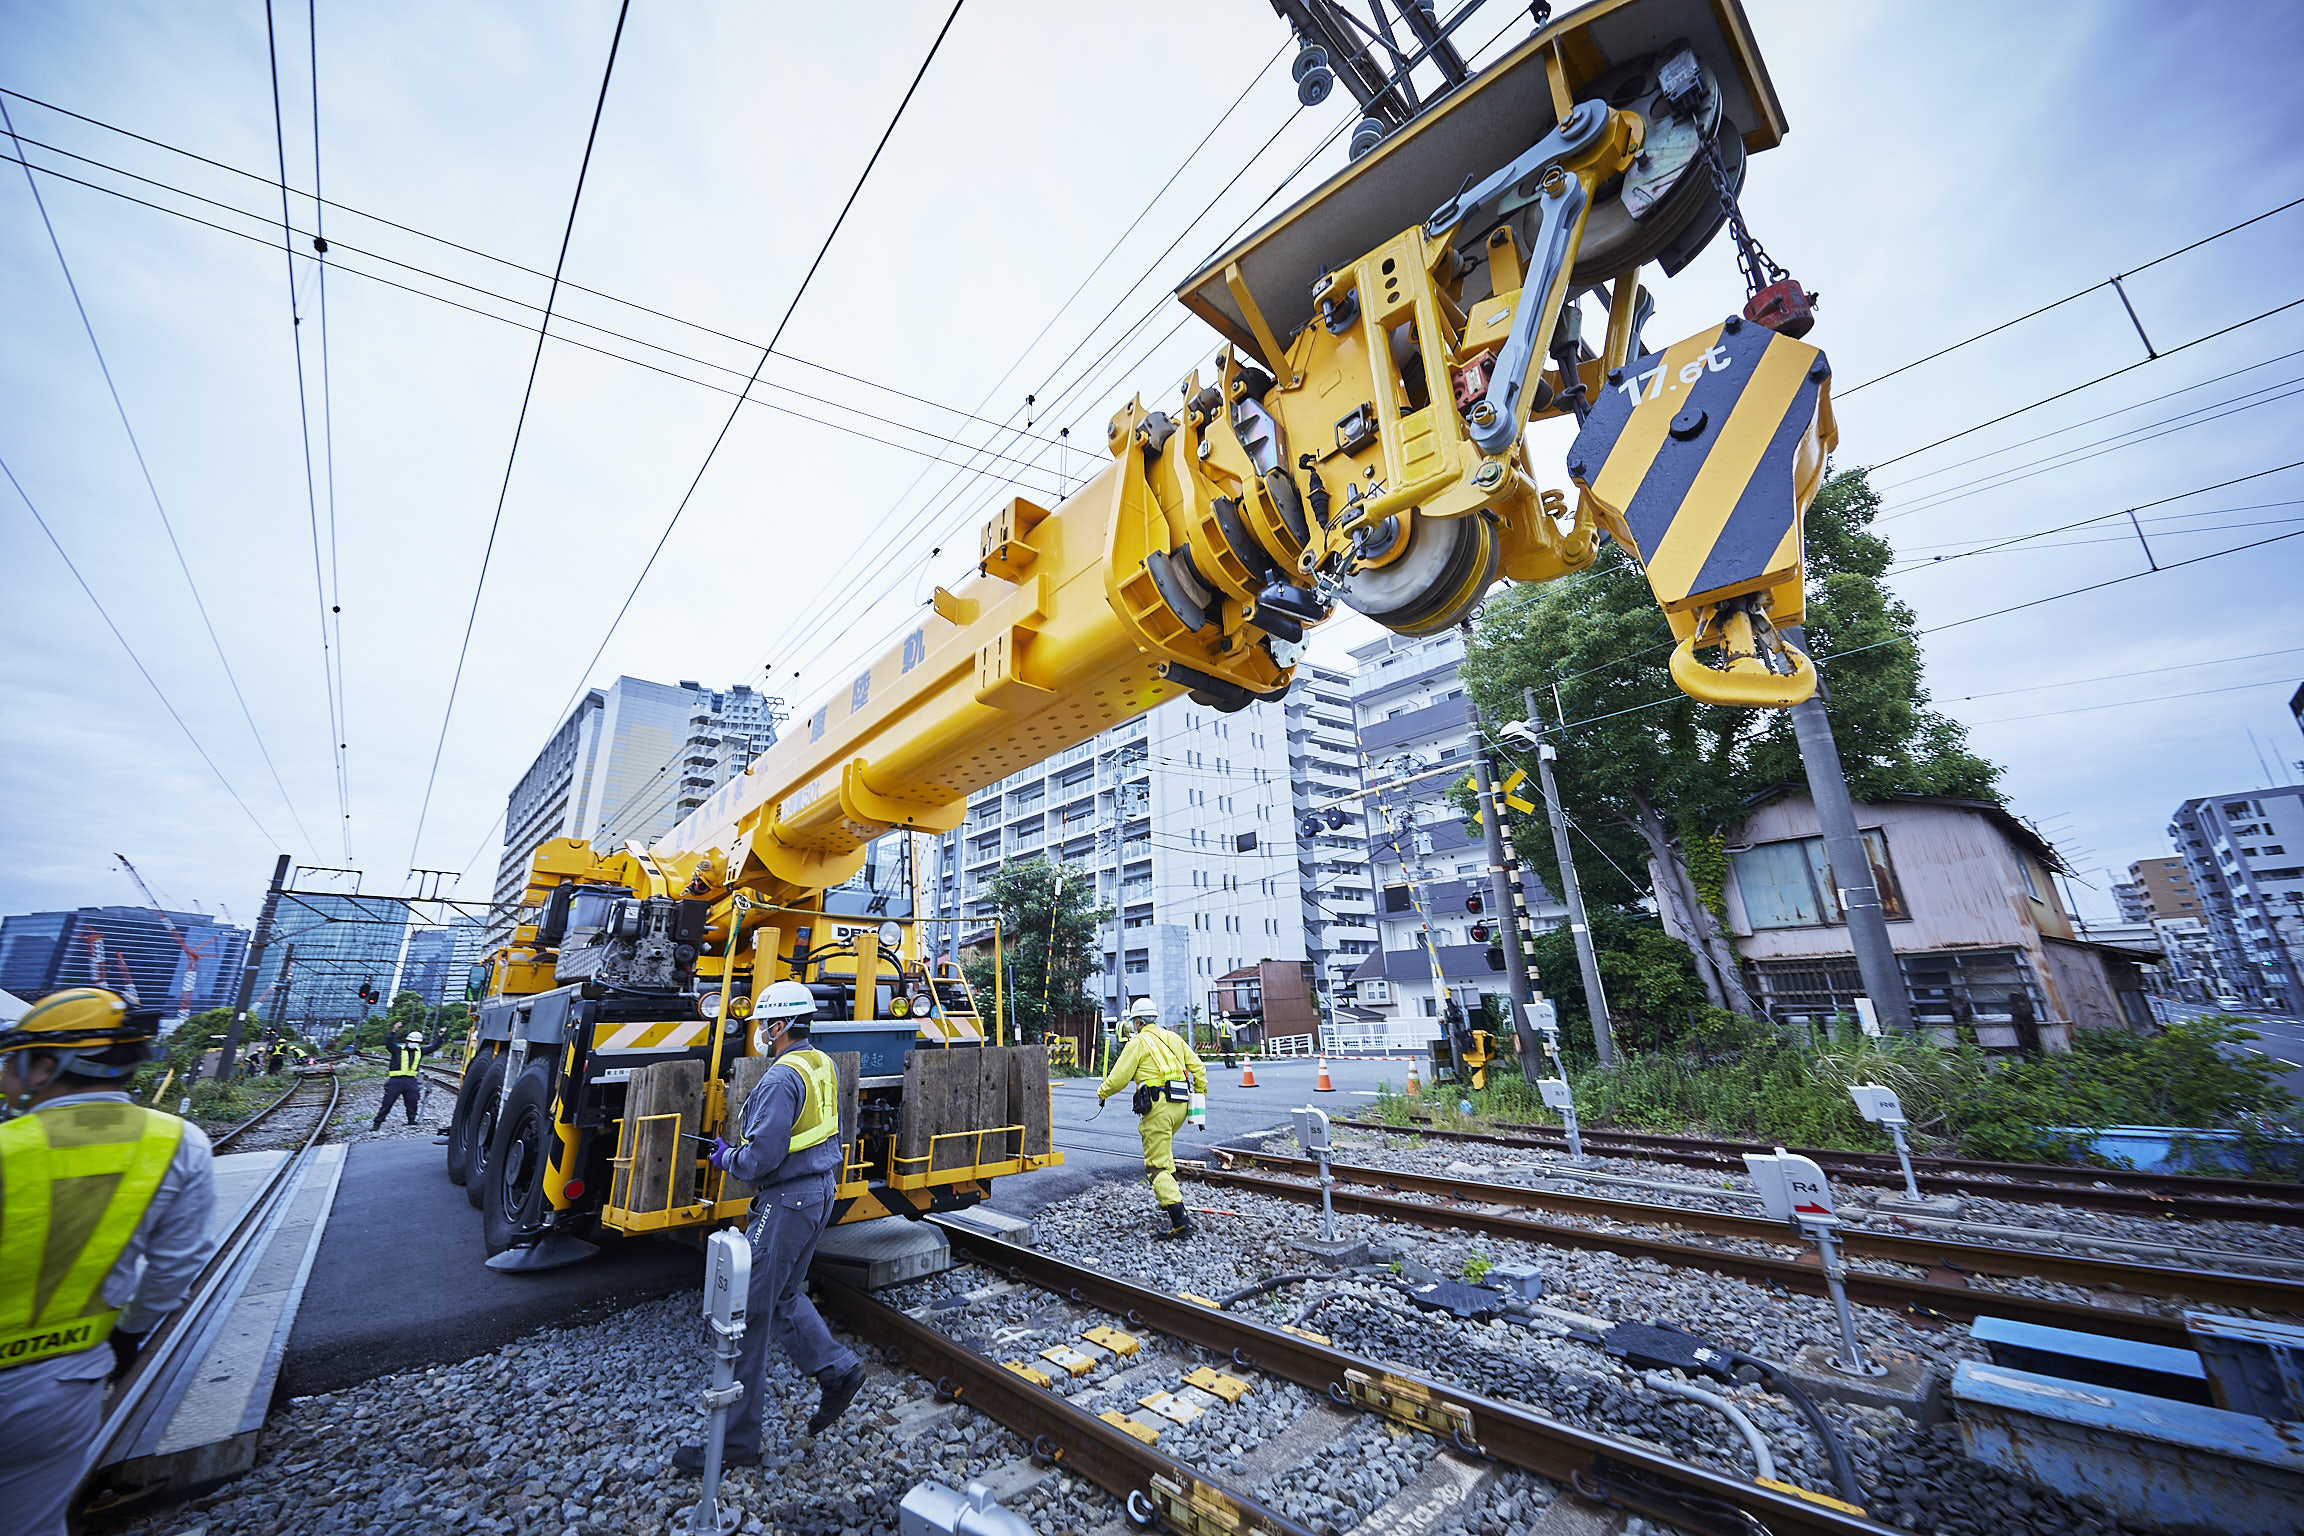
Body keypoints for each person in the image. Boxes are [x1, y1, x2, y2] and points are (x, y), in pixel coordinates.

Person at [0, 988, 216, 1536]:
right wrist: (129, 1334)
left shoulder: (10, 1145)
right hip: (64, 1380)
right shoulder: (178, 1141)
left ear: (46, 1065)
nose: (5, 1075)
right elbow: (177, 1265)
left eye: (11, 1061)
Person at [678, 980, 865, 1471]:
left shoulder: (781, 1078)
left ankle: (734, 1444)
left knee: (748, 1314)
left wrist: (726, 1159)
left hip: (786, 1200)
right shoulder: (819, 1063)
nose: (759, 1031)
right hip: (817, 1191)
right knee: (783, 1297)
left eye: (763, 1023)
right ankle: (836, 1371)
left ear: (780, 1025)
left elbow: (762, 1157)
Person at [1097, 997, 1207, 1240]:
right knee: (1164, 1153)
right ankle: (1167, 1196)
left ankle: (1180, 1222)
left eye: (1133, 1023)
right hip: (1181, 1106)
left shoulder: (1137, 1043)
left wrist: (1102, 1092)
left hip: (1158, 1108)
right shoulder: (1173, 1038)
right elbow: (1199, 1068)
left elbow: (1118, 1079)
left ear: (1137, 1022)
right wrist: (1200, 1093)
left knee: (1157, 1167)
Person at [372, 1030, 423, 1130]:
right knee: (388, 1102)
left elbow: (434, 1046)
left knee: (412, 1101)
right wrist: (393, 1032)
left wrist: (440, 1037)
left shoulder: (420, 1051)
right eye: (412, 1041)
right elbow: (389, 1043)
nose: (414, 1043)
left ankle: (411, 1120)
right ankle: (377, 1123)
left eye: (416, 1042)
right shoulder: (397, 1050)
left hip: (411, 1081)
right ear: (407, 1041)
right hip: (396, 1081)